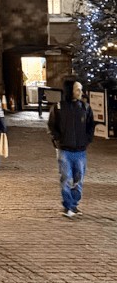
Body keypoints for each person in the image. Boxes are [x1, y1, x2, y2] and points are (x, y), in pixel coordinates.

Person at [48, 78, 95, 218]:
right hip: (64, 150)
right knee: (66, 178)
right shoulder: (58, 107)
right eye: (77, 89)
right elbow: (51, 126)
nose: (81, 92)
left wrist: (87, 140)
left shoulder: (85, 107)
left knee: (79, 179)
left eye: (81, 89)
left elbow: (91, 126)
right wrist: (58, 140)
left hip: (80, 150)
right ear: (70, 91)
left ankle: (74, 205)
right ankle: (68, 206)